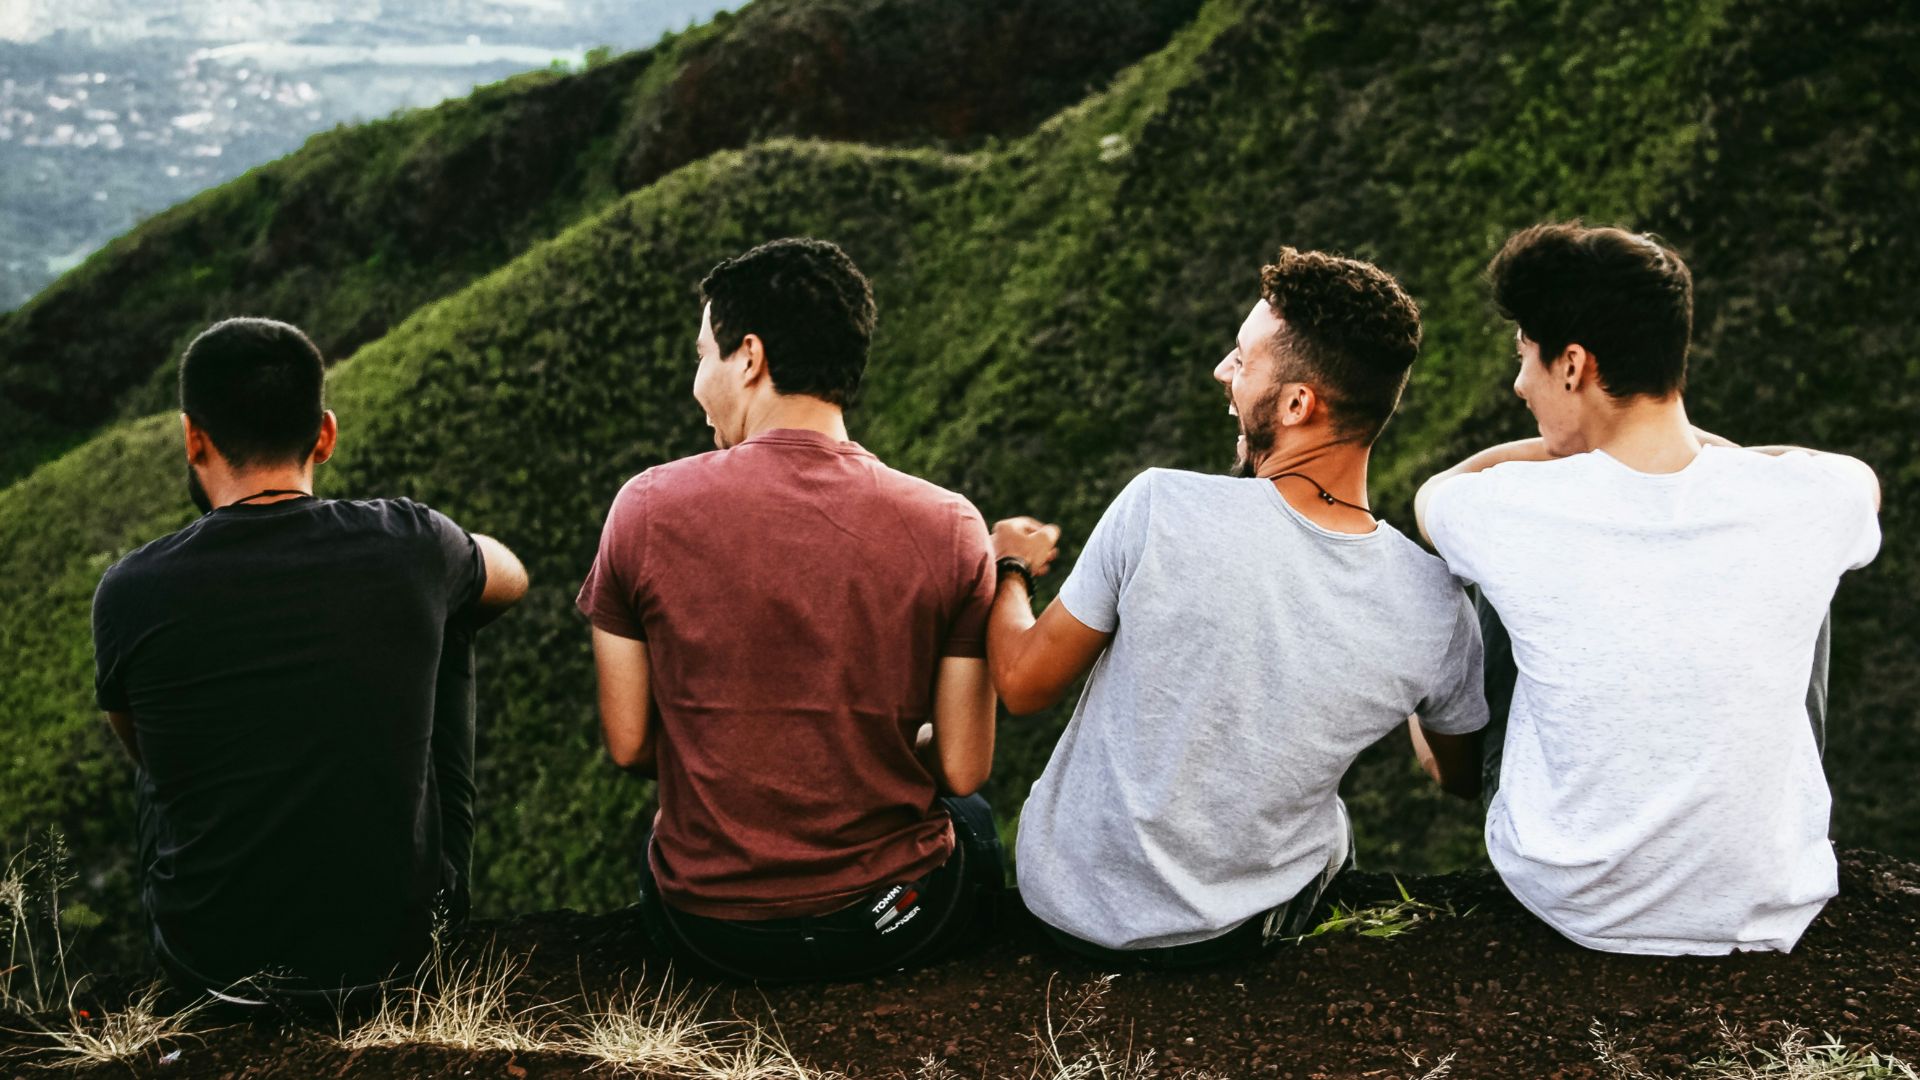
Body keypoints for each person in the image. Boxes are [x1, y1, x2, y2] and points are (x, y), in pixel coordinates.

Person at [989, 247, 1489, 967]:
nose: (1223, 372)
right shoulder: (1435, 604)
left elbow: (1022, 683)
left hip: (1064, 909)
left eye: (1242, 360)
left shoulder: (1158, 506)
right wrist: (1399, 673)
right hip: (1231, 937)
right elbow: (1457, 777)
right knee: (1332, 826)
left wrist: (1009, 566)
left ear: (1296, 405)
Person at [1414, 223, 1882, 955]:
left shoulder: (1507, 506)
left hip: (1572, 893)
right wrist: (1709, 455)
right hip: (1764, 899)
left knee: (1490, 578)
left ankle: (1466, 777)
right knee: (1802, 570)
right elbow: (1854, 477)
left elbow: (1437, 495)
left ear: (1573, 365)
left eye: (1525, 360)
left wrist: (1558, 453)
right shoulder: (1813, 499)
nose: (1518, 386)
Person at [577, 237, 1005, 982]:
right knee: (974, 822)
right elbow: (964, 767)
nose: (695, 382)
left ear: (750, 358)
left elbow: (630, 744)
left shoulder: (644, 508)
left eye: (703, 355)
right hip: (889, 923)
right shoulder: (952, 525)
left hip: (708, 930)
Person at [90, 317, 529, 1007]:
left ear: (192, 437)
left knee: (166, 729)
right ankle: (438, 911)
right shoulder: (411, 542)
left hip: (210, 962)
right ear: (325, 433)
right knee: (454, 612)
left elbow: (146, 752)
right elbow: (512, 578)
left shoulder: (129, 589)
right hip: (394, 952)